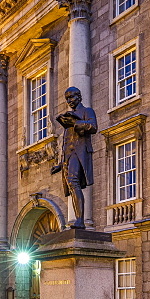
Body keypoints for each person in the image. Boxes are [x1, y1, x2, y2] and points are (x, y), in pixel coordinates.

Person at [50, 86, 98, 227]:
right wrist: (59, 164)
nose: (69, 101)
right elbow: (66, 142)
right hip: (69, 155)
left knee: (74, 181)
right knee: (72, 185)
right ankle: (79, 220)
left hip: (80, 152)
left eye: (71, 97)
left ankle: (80, 221)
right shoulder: (68, 117)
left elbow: (93, 126)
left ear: (79, 97)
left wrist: (75, 123)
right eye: (67, 98)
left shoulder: (87, 111)